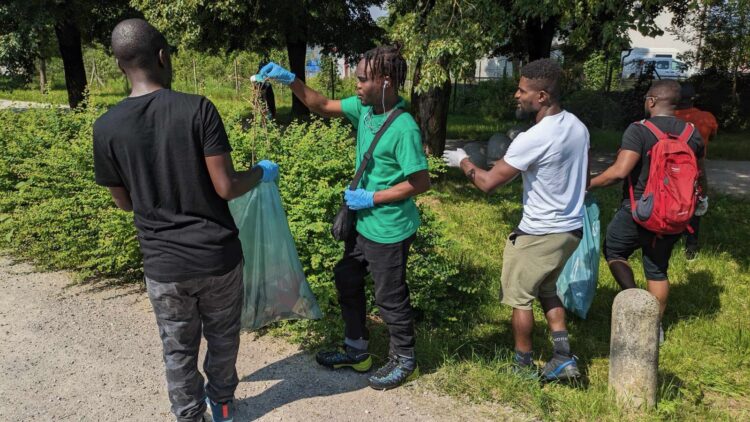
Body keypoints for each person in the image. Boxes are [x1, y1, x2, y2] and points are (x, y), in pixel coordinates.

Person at [93, 19, 279, 422]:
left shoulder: (105, 127)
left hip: (164, 266)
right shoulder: (198, 109)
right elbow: (226, 186)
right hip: (217, 258)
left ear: (120, 66)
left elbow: (124, 203)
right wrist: (261, 172)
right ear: (163, 57)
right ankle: (224, 403)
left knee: (177, 349)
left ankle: (189, 415)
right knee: (223, 337)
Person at [256, 45, 431, 390]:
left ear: (385, 82)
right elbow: (320, 105)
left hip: (390, 227)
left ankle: (405, 358)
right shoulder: (363, 110)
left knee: (389, 296)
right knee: (347, 278)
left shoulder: (404, 127)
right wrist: (291, 80)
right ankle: (357, 350)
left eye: (363, 79)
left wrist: (372, 197)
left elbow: (420, 182)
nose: (356, 85)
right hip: (363, 224)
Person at [443, 58, 589, 381]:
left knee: (520, 297)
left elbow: (488, 183)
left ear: (542, 97)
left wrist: (463, 161)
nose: (516, 95)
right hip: (571, 229)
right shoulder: (578, 127)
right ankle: (563, 357)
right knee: (547, 288)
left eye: (523, 90)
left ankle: (522, 366)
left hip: (538, 233)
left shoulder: (534, 137)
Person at [588, 79, 706, 344]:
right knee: (657, 269)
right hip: (676, 213)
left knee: (615, 251)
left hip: (638, 211)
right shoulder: (691, 133)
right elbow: (700, 173)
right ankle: (655, 327)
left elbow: (619, 172)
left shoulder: (639, 130)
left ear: (651, 101)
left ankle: (634, 300)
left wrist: (587, 184)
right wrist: (701, 200)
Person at [675, 83, 716, 259]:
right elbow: (713, 136)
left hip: (670, 167)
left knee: (668, 202)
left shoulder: (668, 117)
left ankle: (665, 241)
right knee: (696, 203)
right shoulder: (706, 117)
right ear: (693, 98)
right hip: (696, 168)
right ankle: (690, 249)